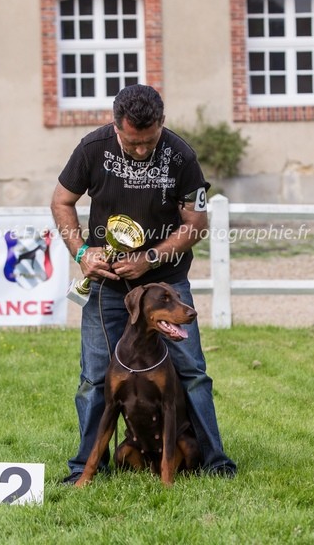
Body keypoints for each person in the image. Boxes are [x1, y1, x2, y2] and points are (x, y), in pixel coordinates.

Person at [51, 84, 237, 484]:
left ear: (162, 125)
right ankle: (86, 468)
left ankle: (216, 464)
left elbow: (195, 225)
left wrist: (150, 258)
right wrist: (82, 253)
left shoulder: (182, 156)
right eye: (132, 143)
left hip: (166, 285)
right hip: (107, 287)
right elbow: (61, 201)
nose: (140, 151)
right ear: (116, 127)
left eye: (148, 142)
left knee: (192, 373)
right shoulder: (93, 148)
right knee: (94, 377)